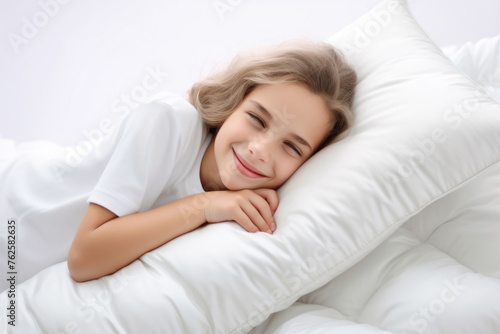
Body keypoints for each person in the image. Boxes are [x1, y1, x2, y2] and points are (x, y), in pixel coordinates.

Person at [0, 40, 357, 290]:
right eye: (257, 119)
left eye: (292, 147)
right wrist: (203, 205)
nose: (260, 150)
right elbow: (84, 257)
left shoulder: (250, 209)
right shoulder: (168, 121)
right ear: (235, 100)